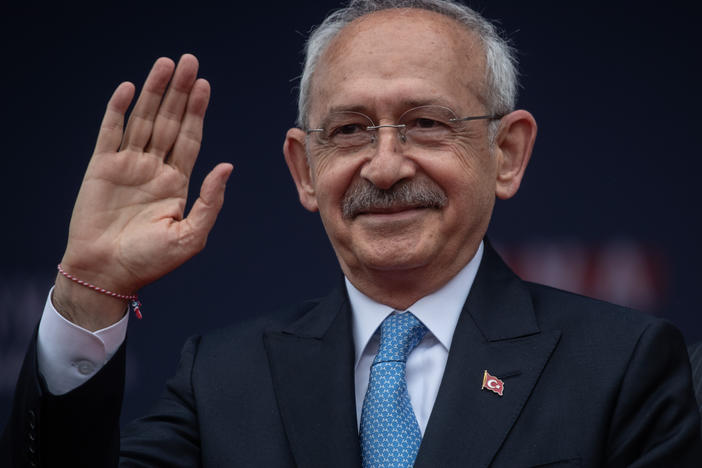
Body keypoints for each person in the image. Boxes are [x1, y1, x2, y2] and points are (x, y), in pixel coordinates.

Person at [2, 0, 701, 466]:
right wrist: (92, 288)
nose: (387, 166)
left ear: (508, 154)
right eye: (350, 129)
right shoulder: (223, 379)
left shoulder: (622, 367)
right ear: (305, 170)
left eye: (427, 123)